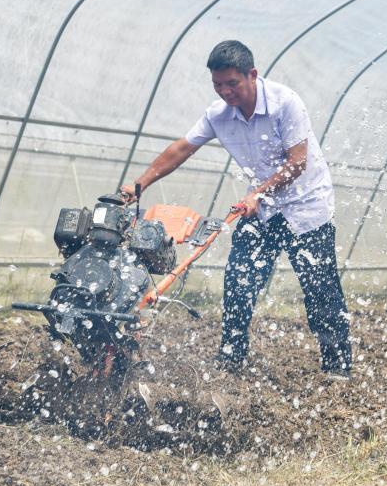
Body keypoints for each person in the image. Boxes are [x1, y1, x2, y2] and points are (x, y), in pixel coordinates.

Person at [120, 40, 352, 380]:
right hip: (261, 211)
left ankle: (337, 367)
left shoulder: (285, 103)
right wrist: (139, 185)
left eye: (232, 83)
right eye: (218, 84)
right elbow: (182, 149)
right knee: (239, 283)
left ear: (252, 75)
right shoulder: (218, 115)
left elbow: (297, 163)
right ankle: (231, 358)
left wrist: (257, 192)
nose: (225, 91)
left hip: (307, 209)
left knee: (320, 288)